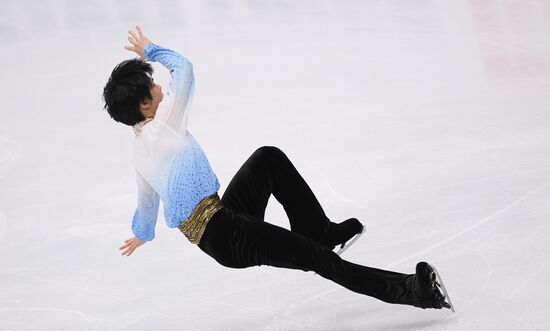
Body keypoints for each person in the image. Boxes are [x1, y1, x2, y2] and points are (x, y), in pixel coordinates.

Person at [102, 26, 451, 310]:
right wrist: (151, 50)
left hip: (221, 218)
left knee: (267, 158)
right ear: (146, 104)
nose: (159, 85)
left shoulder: (140, 149)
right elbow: (185, 71)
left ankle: (319, 230)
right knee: (314, 258)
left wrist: (142, 233)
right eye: (153, 85)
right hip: (226, 235)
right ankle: (414, 291)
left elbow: (147, 200)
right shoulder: (164, 127)